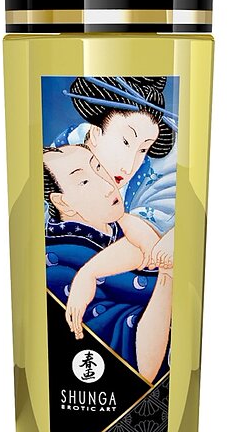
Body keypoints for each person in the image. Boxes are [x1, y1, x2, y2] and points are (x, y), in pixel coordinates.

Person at [44, 145, 173, 382]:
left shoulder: (120, 228)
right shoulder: (57, 267)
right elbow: (141, 368)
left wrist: (90, 271)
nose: (107, 186)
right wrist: (167, 274)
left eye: (99, 168)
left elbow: (149, 249)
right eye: (84, 182)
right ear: (62, 202)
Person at [50, 76, 178, 234]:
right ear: (96, 132)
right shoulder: (62, 151)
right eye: (126, 142)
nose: (128, 168)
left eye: (143, 150)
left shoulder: (156, 173)